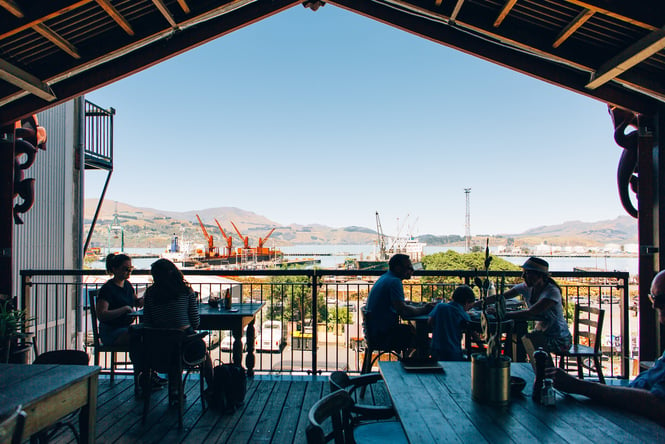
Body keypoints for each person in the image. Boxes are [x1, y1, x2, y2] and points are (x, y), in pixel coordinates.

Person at [546, 270, 665, 426]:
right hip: (629, 414)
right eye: (652, 298)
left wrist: (580, 386)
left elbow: (657, 405)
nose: (654, 305)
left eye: (661, 299)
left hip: (643, 426)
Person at [142, 258, 213, 404]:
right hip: (184, 349)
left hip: (157, 350)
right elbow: (195, 322)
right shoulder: (186, 291)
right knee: (202, 352)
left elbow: (147, 321)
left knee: (171, 346)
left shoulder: (150, 293)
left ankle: (175, 389)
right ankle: (212, 388)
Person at [500, 257, 572, 361]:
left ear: (538, 275)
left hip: (560, 339)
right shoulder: (527, 287)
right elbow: (501, 297)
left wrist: (503, 314)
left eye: (527, 273)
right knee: (519, 340)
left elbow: (530, 313)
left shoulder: (551, 292)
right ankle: (537, 370)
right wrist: (476, 304)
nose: (523, 276)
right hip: (544, 334)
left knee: (525, 342)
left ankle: (544, 372)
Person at [365, 254, 435, 356]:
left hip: (375, 333)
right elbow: (403, 310)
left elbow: (399, 304)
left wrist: (414, 306)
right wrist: (425, 309)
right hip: (384, 336)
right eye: (409, 268)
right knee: (425, 343)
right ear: (398, 268)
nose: (412, 270)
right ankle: (415, 368)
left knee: (417, 336)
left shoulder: (385, 278)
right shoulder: (394, 282)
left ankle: (410, 364)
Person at [97, 253, 142, 347]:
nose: (129, 271)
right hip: (111, 331)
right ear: (114, 269)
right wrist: (124, 309)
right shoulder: (107, 289)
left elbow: (136, 302)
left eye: (130, 268)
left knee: (145, 334)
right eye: (125, 269)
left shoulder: (127, 285)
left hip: (125, 328)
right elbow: (102, 314)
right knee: (139, 338)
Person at [428, 285, 476, 361]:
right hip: (453, 351)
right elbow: (471, 329)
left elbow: (430, 321)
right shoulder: (464, 315)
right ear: (467, 302)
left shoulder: (440, 306)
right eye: (469, 306)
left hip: (436, 349)